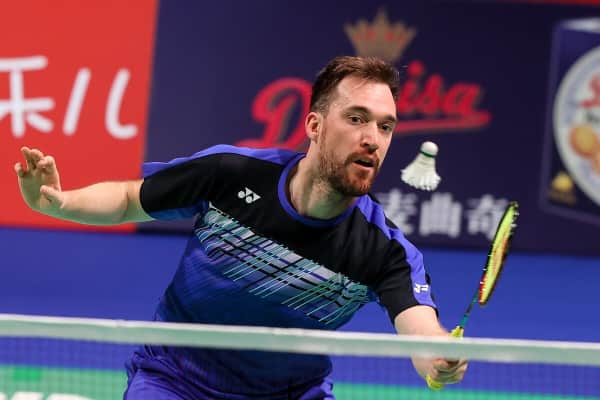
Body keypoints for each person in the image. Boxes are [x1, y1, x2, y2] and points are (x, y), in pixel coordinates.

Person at [15, 56, 467, 399]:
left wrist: (437, 357)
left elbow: (420, 328)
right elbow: (129, 200)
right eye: (356, 119)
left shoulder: (383, 249)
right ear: (314, 125)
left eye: (385, 127)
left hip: (290, 394)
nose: (372, 138)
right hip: (176, 380)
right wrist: (60, 202)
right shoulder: (233, 174)